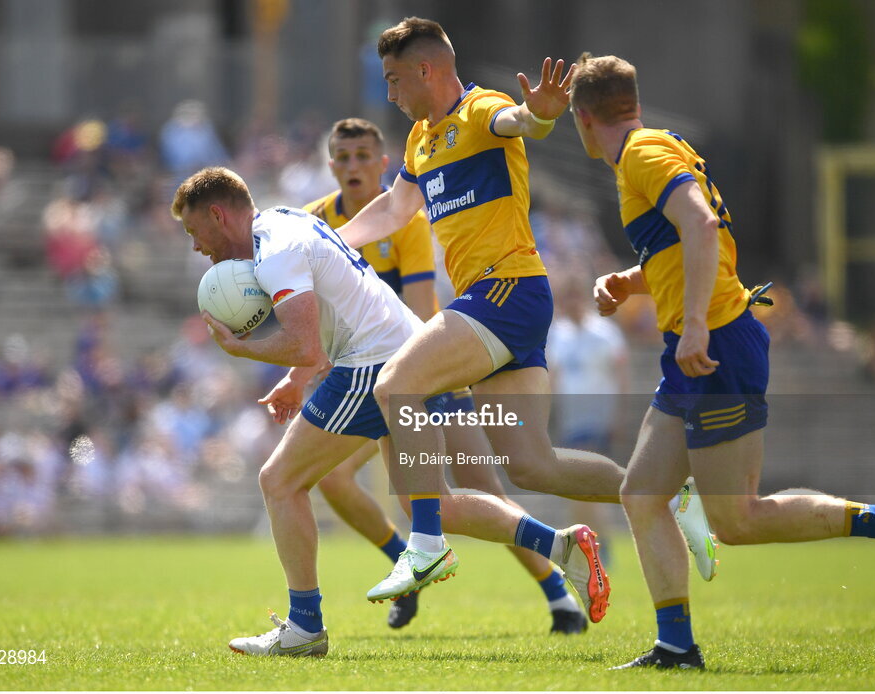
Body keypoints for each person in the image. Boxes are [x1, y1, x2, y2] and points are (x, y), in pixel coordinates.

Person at [567, 53, 875, 670]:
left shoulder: (640, 155)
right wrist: (630, 283)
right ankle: (676, 646)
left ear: (583, 117)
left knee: (738, 519)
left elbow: (703, 226)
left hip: (712, 344)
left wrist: (690, 325)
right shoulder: (655, 144)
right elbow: (680, 243)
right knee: (641, 492)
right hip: (693, 346)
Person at [336, 18, 715, 607]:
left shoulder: (479, 108)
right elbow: (392, 209)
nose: (389, 92)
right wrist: (333, 239)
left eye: (393, 79)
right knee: (530, 465)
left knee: (396, 386)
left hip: (504, 293)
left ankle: (426, 540)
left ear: (426, 71)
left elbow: (522, 121)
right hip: (503, 307)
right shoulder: (420, 139)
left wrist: (538, 112)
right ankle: (667, 491)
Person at [170, 167, 608, 658]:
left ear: (216, 214)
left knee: (280, 481)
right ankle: (562, 546)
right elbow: (321, 336)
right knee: (434, 506)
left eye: (194, 231)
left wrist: (241, 349)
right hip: (408, 352)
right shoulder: (283, 222)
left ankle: (304, 626)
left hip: (374, 365)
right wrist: (296, 378)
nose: (195, 245)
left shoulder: (275, 252)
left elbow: (305, 343)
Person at [304, 117, 588, 634]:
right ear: (330, 165)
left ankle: (556, 592)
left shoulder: (404, 223)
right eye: (342, 158)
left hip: (422, 368)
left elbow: (417, 310)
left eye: (363, 156)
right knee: (336, 478)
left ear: (383, 163)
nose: (353, 166)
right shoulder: (316, 223)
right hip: (369, 375)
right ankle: (405, 558)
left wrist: (418, 376)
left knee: (478, 488)